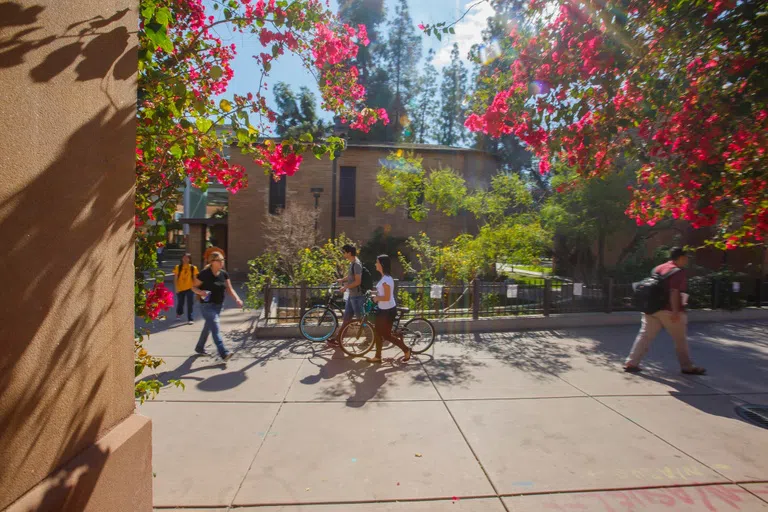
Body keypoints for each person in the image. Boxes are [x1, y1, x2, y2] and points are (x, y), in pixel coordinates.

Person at [624, 247, 706, 375]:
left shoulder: (658, 268)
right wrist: (675, 312)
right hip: (668, 310)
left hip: (651, 309)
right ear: (681, 258)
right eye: (686, 258)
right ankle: (687, 366)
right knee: (680, 339)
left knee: (644, 336)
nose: (687, 261)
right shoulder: (677, 272)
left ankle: (631, 363)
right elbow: (674, 291)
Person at [191, 252, 243, 361]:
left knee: (208, 327)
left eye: (223, 260)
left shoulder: (224, 274)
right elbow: (193, 287)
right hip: (206, 306)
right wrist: (201, 292)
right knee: (215, 327)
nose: (222, 262)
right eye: (219, 260)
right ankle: (224, 353)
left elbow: (229, 289)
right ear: (212, 262)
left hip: (219, 305)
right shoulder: (204, 274)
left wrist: (237, 299)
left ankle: (199, 347)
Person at [367, 254, 411, 364]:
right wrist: (373, 294)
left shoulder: (386, 279)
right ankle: (378, 357)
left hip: (388, 311)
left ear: (381, 264)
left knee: (386, 335)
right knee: (377, 332)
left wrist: (376, 298)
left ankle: (406, 350)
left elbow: (386, 297)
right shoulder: (384, 278)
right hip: (383, 309)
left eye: (377, 262)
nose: (375, 264)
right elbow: (383, 293)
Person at [329, 244, 365, 346]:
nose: (343, 254)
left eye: (344, 252)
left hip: (357, 296)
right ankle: (338, 339)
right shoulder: (352, 263)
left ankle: (371, 339)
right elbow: (351, 276)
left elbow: (358, 281)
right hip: (352, 296)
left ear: (349, 253)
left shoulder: (357, 264)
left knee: (361, 319)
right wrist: (342, 280)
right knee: (346, 318)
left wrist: (345, 287)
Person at [173, 253, 198, 324]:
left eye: (187, 258)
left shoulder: (193, 268)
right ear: (181, 259)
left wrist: (196, 289)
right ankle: (179, 314)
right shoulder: (178, 267)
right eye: (184, 258)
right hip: (180, 288)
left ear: (190, 259)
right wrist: (176, 288)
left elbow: (195, 279)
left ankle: (190, 318)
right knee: (180, 303)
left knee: (190, 304)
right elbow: (175, 278)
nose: (185, 259)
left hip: (190, 288)